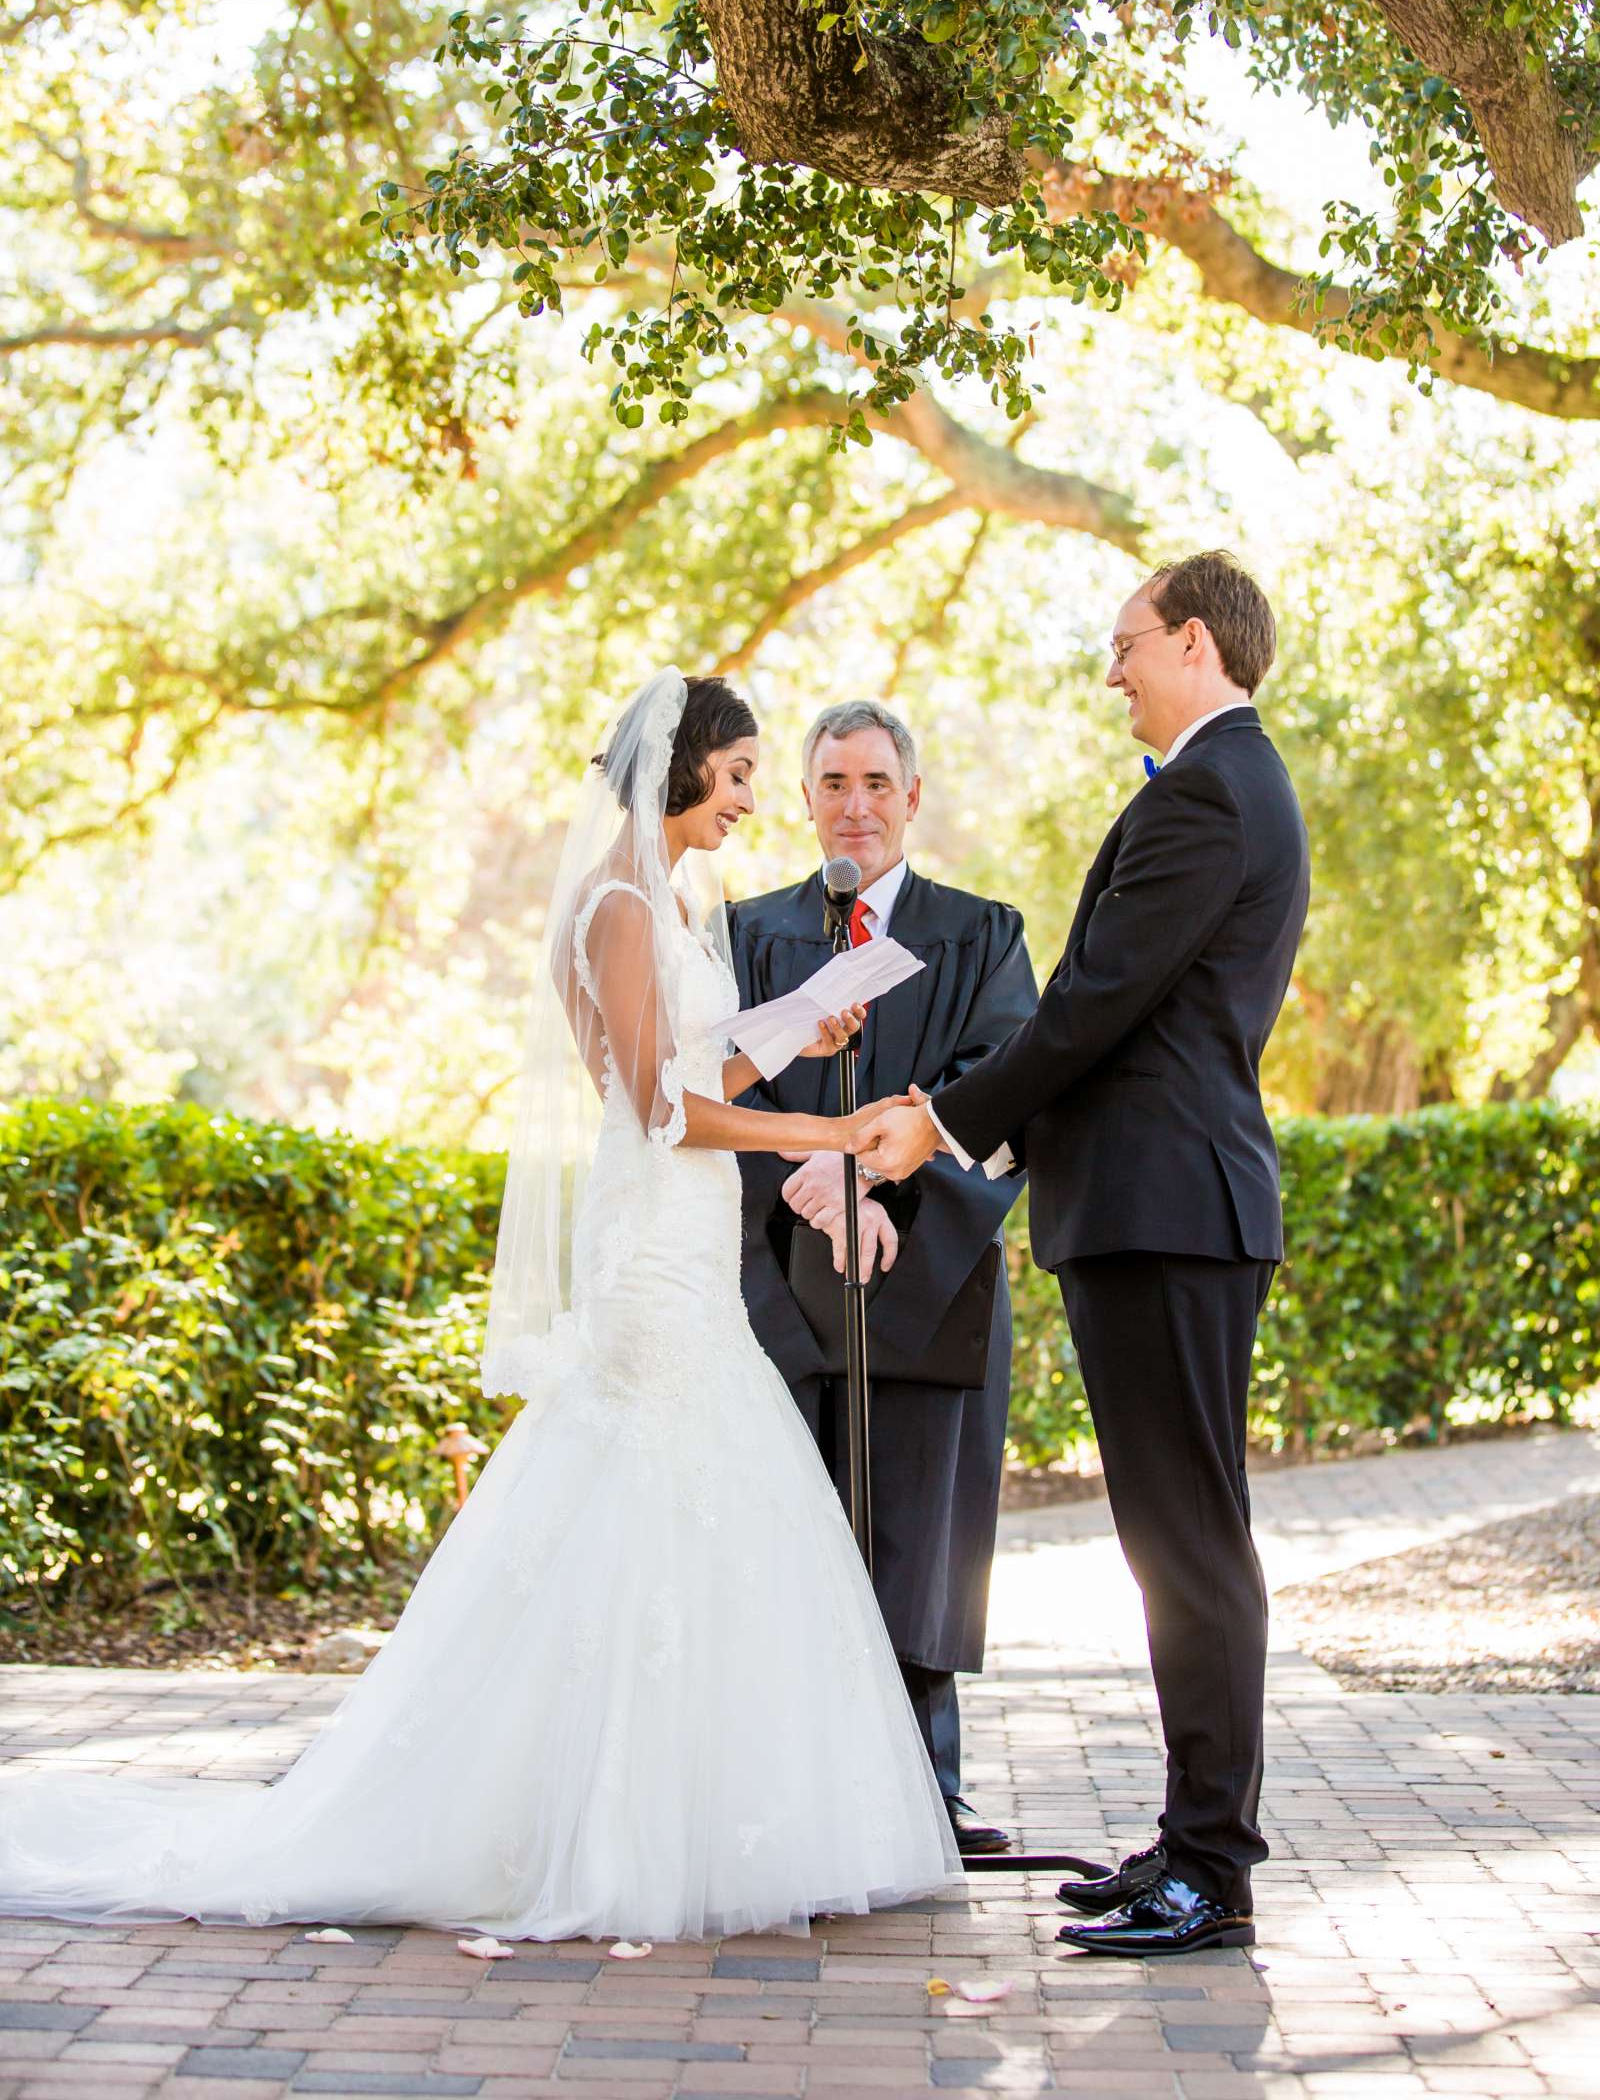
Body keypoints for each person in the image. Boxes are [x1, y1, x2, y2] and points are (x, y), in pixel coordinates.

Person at [0, 670, 959, 1942]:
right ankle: (584, 1824)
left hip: (684, 1238)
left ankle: (691, 1809)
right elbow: (658, 1111)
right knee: (648, 1480)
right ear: (680, 770)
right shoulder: (619, 902)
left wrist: (797, 1034)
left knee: (682, 1497)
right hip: (651, 1244)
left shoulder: (672, 901)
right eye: (736, 778)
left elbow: (694, 1064)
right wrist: (823, 1126)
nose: (745, 804)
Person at [861, 554, 1310, 1958]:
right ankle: (1187, 1842)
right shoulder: (1212, 789)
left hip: (1171, 1211)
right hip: (1150, 1208)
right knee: (1168, 1540)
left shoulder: (1212, 792)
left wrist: (941, 1120)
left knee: (1191, 1544)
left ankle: (1213, 1869)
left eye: (1126, 644)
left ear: (1194, 642)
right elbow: (1106, 1013)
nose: (1109, 668)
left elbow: (1094, 1007)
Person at [729, 700, 1036, 1856]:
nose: (852, 803)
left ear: (913, 796)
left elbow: (1004, 1087)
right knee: (791, 1524)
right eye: (830, 782)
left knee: (921, 1532)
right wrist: (811, 1174)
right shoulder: (747, 932)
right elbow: (718, 1083)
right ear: (804, 799)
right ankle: (794, 1789)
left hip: (931, 1272)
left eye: (874, 781)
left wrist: (879, 1192)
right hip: (781, 1277)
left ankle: (926, 1788)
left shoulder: (982, 935)